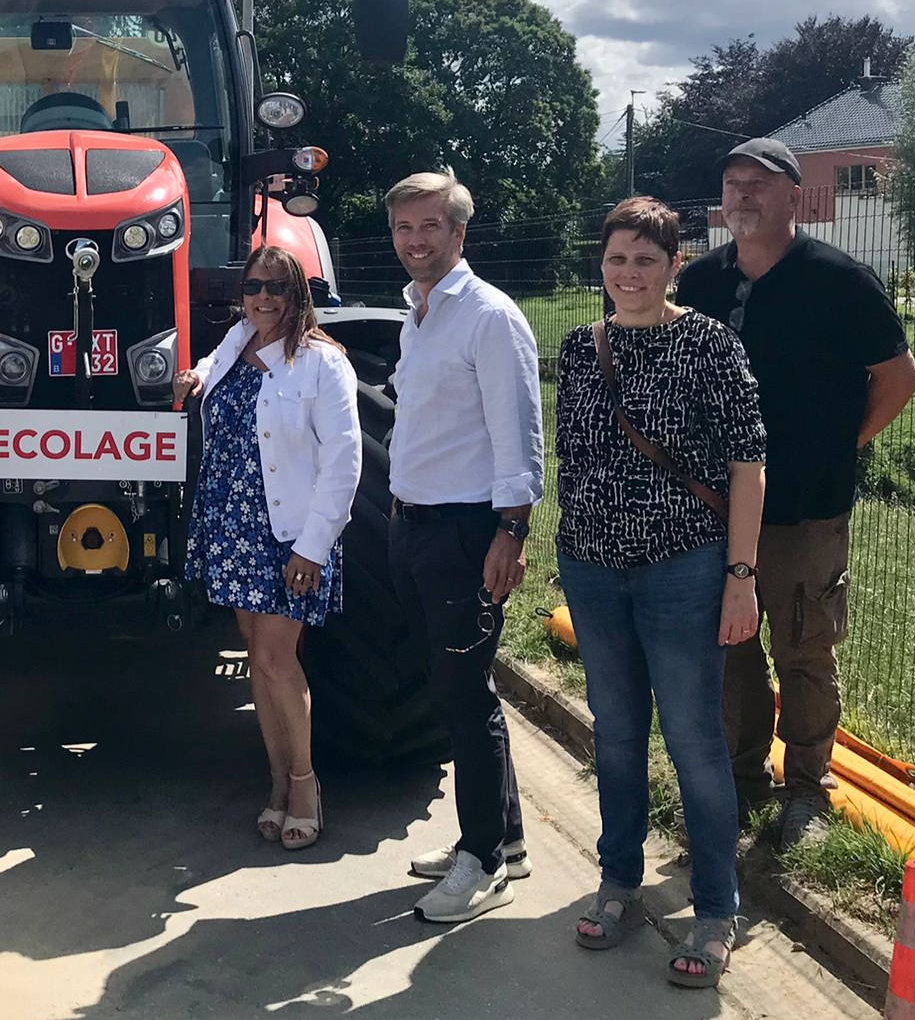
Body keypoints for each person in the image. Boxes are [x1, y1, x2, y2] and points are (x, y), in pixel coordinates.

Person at [677, 138, 915, 847]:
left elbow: (899, 378)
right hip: (715, 507)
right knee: (729, 647)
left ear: (797, 198)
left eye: (759, 183)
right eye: (731, 183)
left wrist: (836, 447)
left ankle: (807, 788)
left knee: (805, 645)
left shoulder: (840, 279)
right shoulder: (701, 283)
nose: (743, 195)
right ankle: (741, 779)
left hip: (804, 508)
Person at [555, 196, 766, 987]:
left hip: (684, 567)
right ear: (600, 265)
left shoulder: (709, 343)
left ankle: (716, 906)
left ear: (675, 263)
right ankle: (619, 880)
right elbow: (575, 457)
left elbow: (748, 463)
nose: (629, 273)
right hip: (594, 567)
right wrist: (573, 549)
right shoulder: (583, 348)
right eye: (616, 259)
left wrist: (741, 576)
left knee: (692, 739)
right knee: (614, 733)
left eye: (646, 259)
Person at [384, 169, 542, 924]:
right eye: (404, 229)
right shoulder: (417, 315)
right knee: (452, 690)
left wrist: (511, 531)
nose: (415, 241)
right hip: (412, 525)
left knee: (464, 694)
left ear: (459, 232)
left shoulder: (488, 316)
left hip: (465, 531)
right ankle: (500, 839)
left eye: (429, 227)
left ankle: (479, 858)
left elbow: (518, 436)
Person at [176, 245, 362, 851]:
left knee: (281, 660)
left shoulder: (321, 364)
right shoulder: (237, 341)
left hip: (286, 535)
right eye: (254, 286)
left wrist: (312, 547)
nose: (264, 298)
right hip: (231, 525)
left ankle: (305, 786)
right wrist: (198, 375)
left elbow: (344, 461)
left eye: (277, 289)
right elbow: (213, 362)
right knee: (258, 658)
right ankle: (278, 782)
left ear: (298, 296)